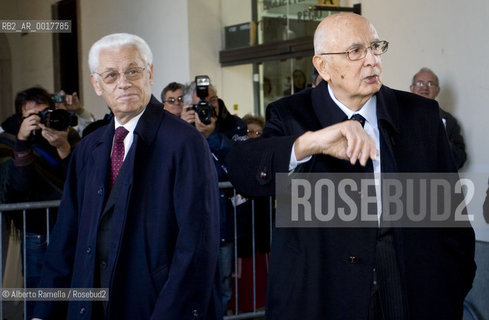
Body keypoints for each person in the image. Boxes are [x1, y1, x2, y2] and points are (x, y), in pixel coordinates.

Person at [225, 13, 475, 320]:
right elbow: (243, 170)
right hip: (324, 292)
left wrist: (451, 286)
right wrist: (310, 143)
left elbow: (450, 213)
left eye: (375, 47)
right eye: (355, 51)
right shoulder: (291, 114)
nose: (372, 61)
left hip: (409, 287)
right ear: (323, 67)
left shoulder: (419, 115)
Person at [33, 33, 221, 320]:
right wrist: (43, 313)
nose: (124, 82)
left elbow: (196, 246)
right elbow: (66, 238)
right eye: (111, 75)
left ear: (151, 74)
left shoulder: (184, 142)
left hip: (153, 308)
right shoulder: (88, 149)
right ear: (97, 85)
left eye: (133, 71)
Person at [0, 86, 80, 319]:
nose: (41, 119)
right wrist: (23, 141)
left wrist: (63, 146)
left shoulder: (68, 133)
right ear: (20, 118)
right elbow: (19, 185)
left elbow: (78, 179)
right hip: (36, 230)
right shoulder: (9, 141)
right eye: (33, 115)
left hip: (70, 226)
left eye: (45, 112)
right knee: (37, 290)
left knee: (72, 288)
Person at [181, 80, 247, 313]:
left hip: (221, 223)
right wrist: (183, 129)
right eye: (201, 104)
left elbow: (240, 163)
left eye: (212, 101)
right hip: (187, 225)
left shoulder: (233, 126)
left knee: (222, 285)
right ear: (190, 107)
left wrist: (212, 136)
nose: (209, 107)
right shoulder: (180, 129)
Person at [410, 67, 467, 169]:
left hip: (439, 182)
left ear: (437, 90)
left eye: (430, 84)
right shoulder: (397, 117)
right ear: (411, 88)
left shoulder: (450, 122)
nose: (425, 87)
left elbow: (460, 160)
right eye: (419, 83)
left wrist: (442, 139)